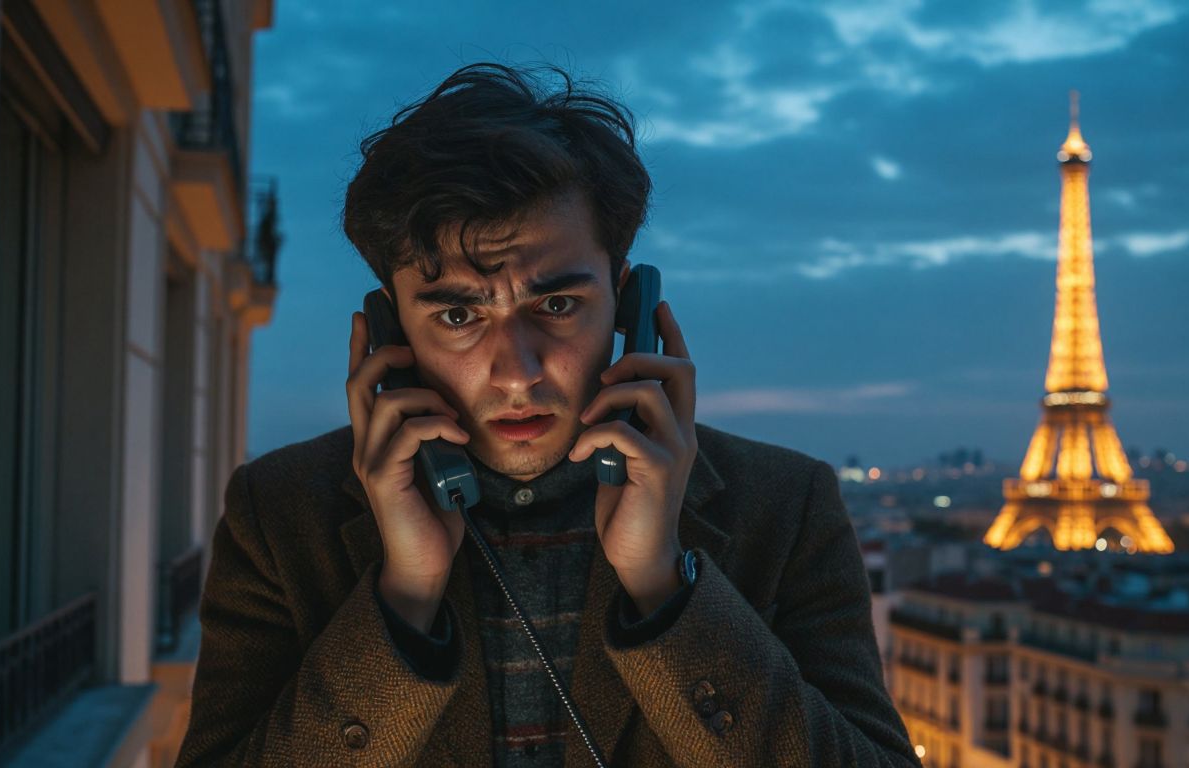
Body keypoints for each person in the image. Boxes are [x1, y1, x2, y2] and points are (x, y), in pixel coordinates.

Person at [175, 62, 921, 767]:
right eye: (459, 315)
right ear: (390, 332)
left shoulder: (786, 510)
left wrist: (666, 589)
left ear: (629, 308)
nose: (517, 372)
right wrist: (402, 597)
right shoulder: (278, 517)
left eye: (556, 305)